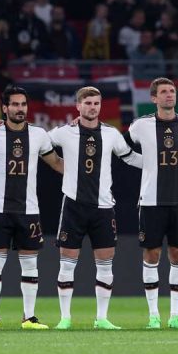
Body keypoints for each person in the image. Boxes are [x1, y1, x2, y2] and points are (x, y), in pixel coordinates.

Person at [0, 86, 64, 330]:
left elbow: (56, 164)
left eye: (23, 104)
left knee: (30, 265)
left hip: (29, 210)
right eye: (15, 104)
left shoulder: (40, 135)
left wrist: (90, 168)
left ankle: (29, 318)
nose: (20, 109)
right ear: (5, 108)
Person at [49, 86, 142, 330]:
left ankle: (101, 318)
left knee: (105, 262)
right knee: (67, 262)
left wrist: (156, 162)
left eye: (96, 103)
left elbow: (129, 156)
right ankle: (65, 318)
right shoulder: (64, 132)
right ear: (78, 106)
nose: (93, 107)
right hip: (73, 205)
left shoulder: (111, 133)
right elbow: (37, 142)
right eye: (88, 103)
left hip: (103, 207)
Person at [127, 78, 178, 329]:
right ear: (154, 98)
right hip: (150, 201)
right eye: (164, 92)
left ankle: (176, 315)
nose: (169, 95)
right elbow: (125, 153)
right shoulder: (140, 126)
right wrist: (148, 164)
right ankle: (154, 315)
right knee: (152, 254)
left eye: (172, 91)